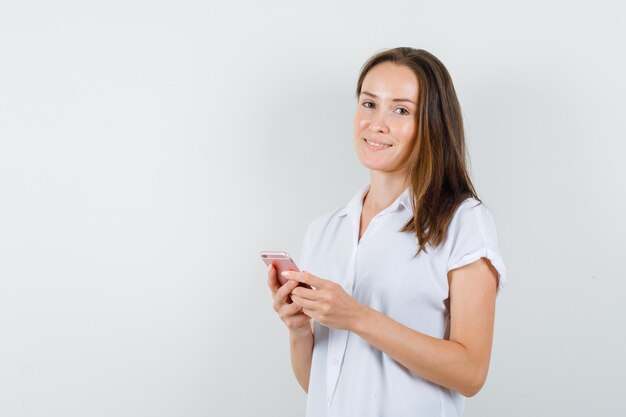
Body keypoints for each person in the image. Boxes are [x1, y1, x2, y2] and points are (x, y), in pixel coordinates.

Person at [267, 47, 508, 417]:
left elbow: (471, 373)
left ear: (432, 124)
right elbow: (319, 388)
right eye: (368, 104)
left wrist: (356, 317)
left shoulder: (463, 221)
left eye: (401, 110)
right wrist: (299, 331)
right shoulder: (325, 230)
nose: (376, 123)